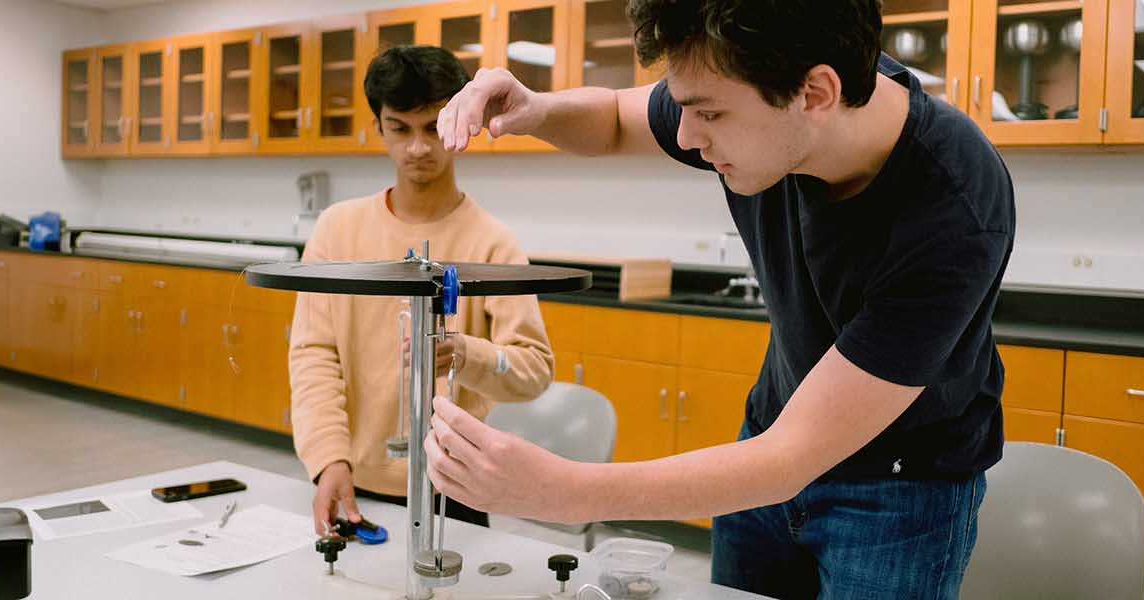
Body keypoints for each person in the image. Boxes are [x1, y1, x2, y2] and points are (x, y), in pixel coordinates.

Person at [422, 1, 1015, 598]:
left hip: (900, 492)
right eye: (684, 107)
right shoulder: (757, 82)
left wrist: (564, 490)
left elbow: (793, 457)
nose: (684, 137)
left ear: (816, 94)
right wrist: (537, 109)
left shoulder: (955, 209)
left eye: (707, 113)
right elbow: (614, 119)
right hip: (767, 440)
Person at [289, 45, 555, 536]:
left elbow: (534, 369)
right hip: (354, 478)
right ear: (379, 127)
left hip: (457, 487)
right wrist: (328, 457)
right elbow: (313, 354)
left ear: (461, 122)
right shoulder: (335, 231)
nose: (417, 147)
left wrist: (465, 354)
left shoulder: (492, 242)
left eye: (433, 127)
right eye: (400, 128)